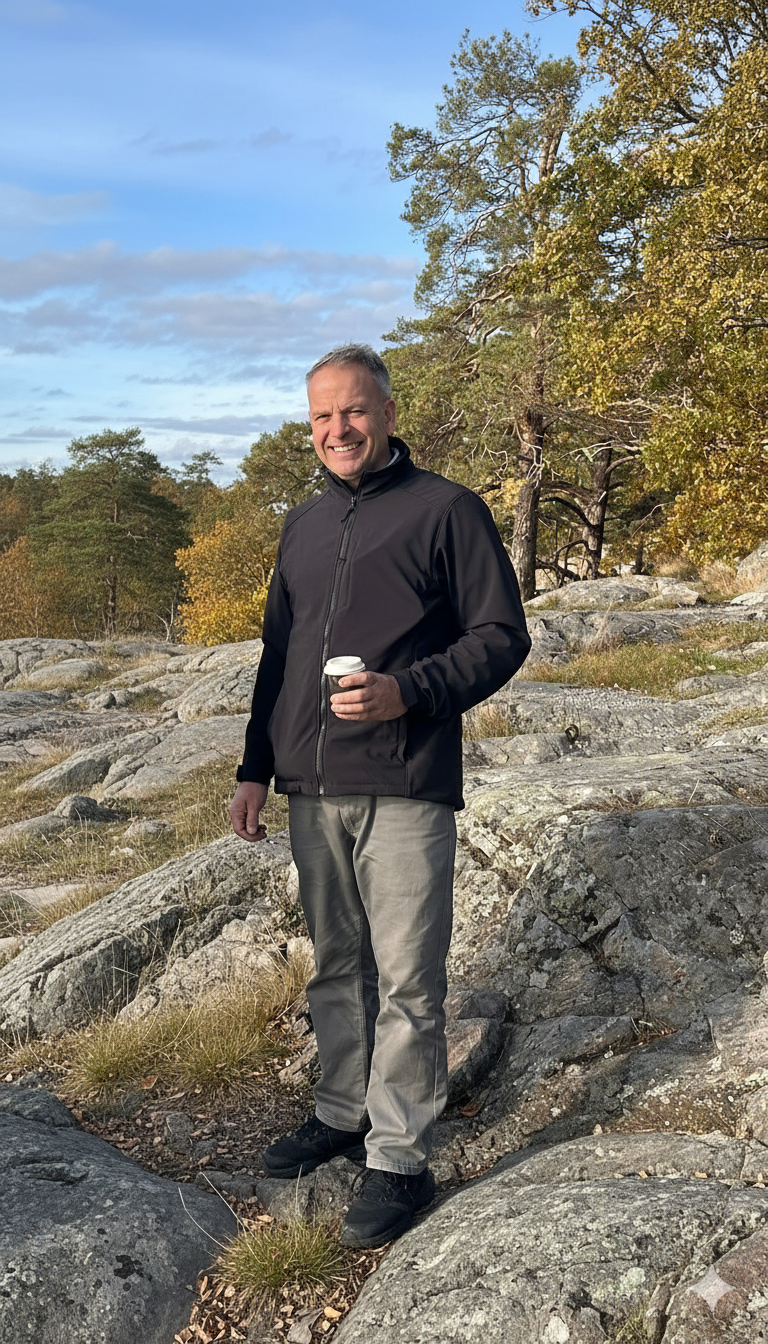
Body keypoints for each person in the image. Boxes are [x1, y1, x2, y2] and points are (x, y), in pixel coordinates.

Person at [230, 343, 530, 1247]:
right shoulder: (302, 524)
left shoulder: (447, 510)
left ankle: (399, 1158)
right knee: (336, 965)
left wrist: (409, 690)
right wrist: (254, 767)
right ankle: (342, 1110)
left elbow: (501, 635)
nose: (338, 429)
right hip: (310, 785)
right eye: (322, 417)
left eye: (354, 411)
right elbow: (279, 656)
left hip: (405, 780)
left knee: (407, 979)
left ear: (389, 414)